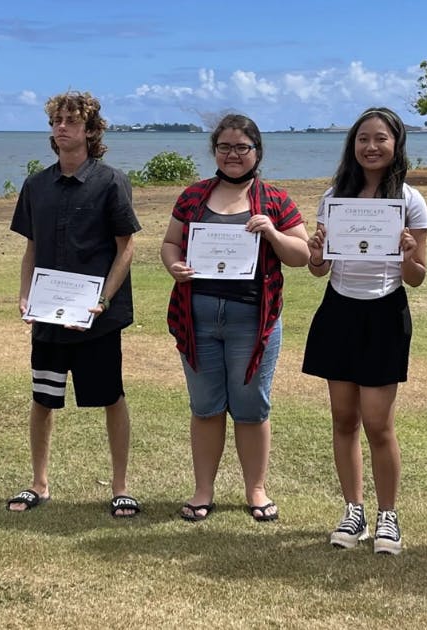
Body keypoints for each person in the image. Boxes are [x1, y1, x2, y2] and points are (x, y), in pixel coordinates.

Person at [162, 114, 309, 523]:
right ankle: (202, 490)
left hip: (252, 320)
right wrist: (174, 266)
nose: (233, 154)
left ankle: (256, 490)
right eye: (225, 147)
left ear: (256, 151)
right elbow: (171, 243)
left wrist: (273, 234)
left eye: (242, 147)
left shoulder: (276, 200)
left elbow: (301, 256)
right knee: (206, 406)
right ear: (214, 150)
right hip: (198, 318)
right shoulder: (193, 196)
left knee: (251, 406)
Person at [8, 91, 143, 518]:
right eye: (56, 121)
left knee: (110, 396)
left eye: (71, 121)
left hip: (96, 320)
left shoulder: (111, 181)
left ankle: (121, 486)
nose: (61, 127)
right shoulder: (36, 184)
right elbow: (31, 248)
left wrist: (102, 300)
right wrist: (25, 292)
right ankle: (38, 483)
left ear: (90, 129)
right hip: (48, 315)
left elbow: (127, 249)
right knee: (43, 398)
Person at [302, 107, 427, 554]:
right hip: (339, 312)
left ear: (396, 145)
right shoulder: (335, 196)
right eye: (362, 139)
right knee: (343, 419)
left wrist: (409, 254)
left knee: (378, 423)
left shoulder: (410, 201)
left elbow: (416, 277)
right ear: (352, 146)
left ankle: (387, 517)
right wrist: (317, 253)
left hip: (385, 312)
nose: (371, 147)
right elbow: (320, 271)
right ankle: (353, 511)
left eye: (380, 139)